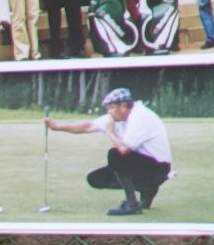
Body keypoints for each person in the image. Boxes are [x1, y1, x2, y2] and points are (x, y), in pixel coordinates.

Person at [55, 85, 178, 217]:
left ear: (124, 106)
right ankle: (147, 190)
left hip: (159, 169)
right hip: (145, 166)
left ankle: (132, 205)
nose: (109, 112)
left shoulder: (141, 116)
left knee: (116, 155)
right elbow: (88, 126)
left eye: (112, 107)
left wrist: (110, 132)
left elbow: (124, 149)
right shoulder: (117, 117)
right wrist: (56, 126)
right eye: (108, 108)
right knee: (95, 179)